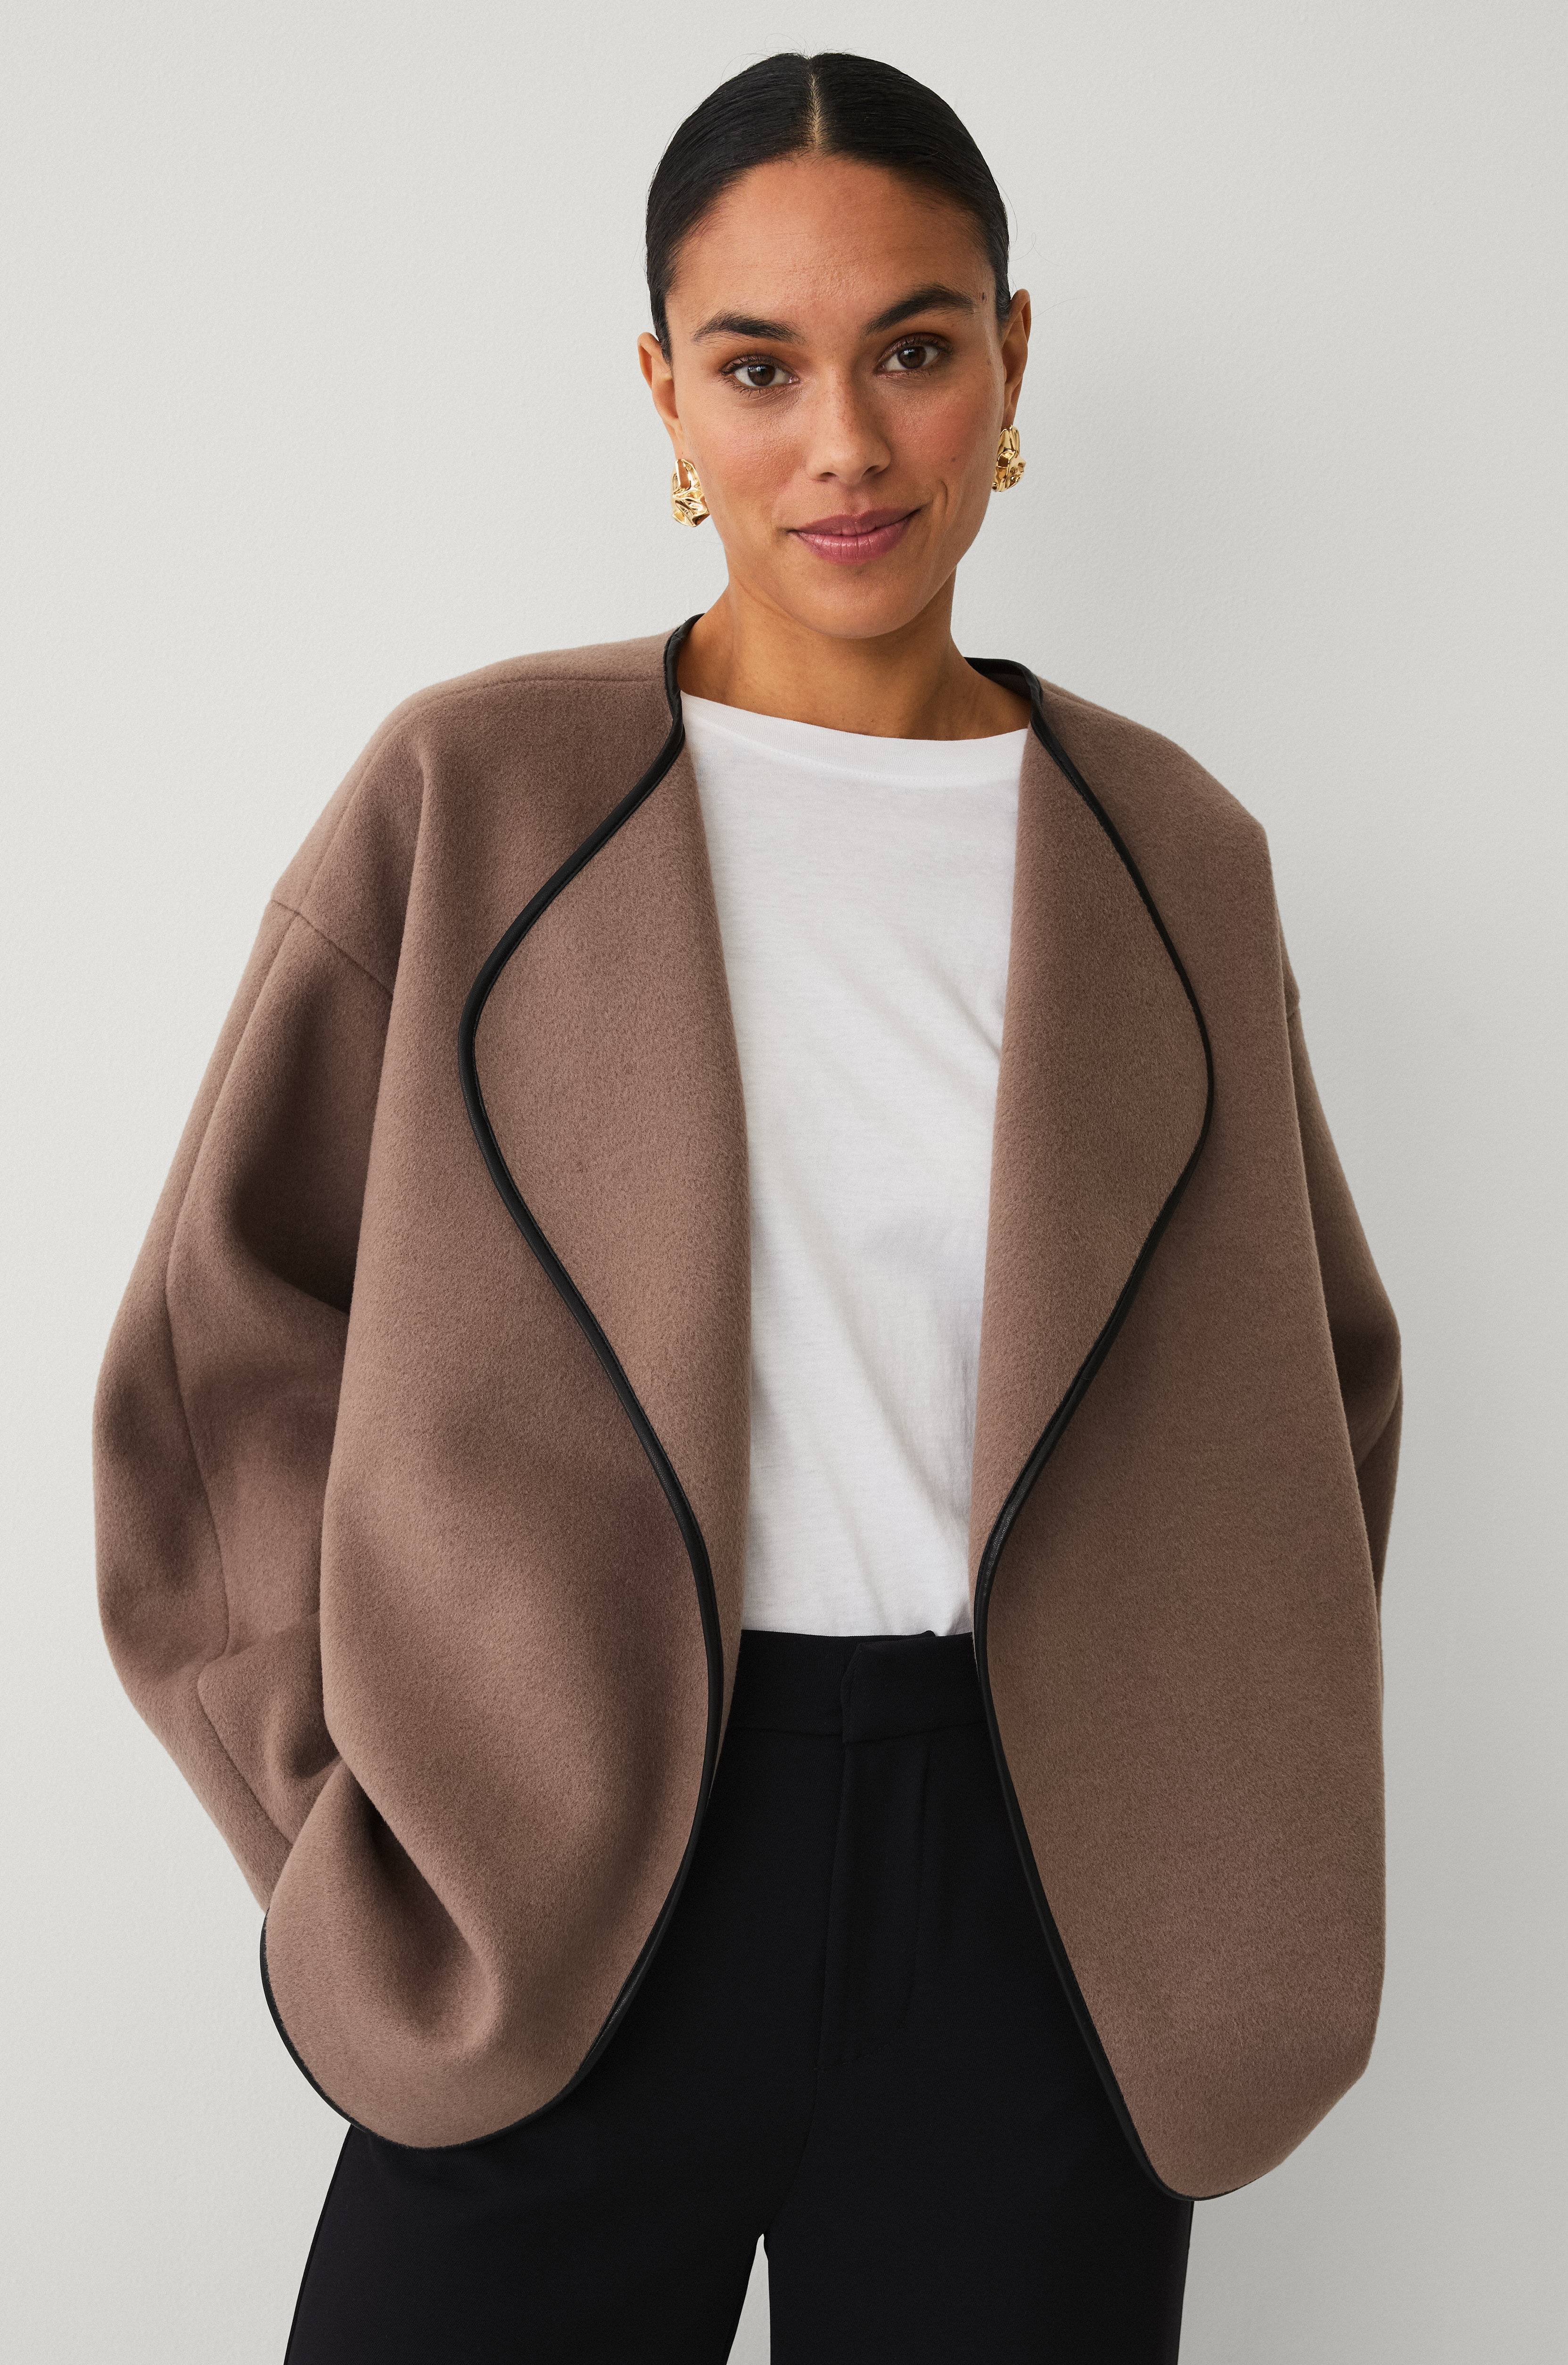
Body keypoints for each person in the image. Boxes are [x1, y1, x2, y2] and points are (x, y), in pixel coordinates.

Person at [93, 50, 1402, 2365]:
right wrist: (353, 1820)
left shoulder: (1171, 853)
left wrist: (1194, 1790)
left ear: (1013, 359)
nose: (846, 443)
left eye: (915, 346)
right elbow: (221, 1350)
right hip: (556, 1866)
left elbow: (1318, 1389)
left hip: (1031, 1904)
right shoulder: (476, 793)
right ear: (666, 395)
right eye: (761, 366)